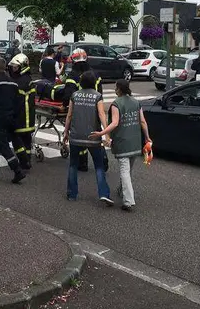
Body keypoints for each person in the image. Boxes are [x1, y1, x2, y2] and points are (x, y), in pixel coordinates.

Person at [90, 80, 151, 211]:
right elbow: (143, 121)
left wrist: (102, 132)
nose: (115, 89)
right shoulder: (136, 102)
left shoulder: (116, 104)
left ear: (118, 89)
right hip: (135, 142)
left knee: (124, 170)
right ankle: (122, 190)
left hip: (122, 142)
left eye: (115, 88)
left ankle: (128, 201)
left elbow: (115, 123)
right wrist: (147, 137)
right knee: (128, 170)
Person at [64, 71, 113, 205]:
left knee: (73, 165)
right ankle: (103, 193)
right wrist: (106, 134)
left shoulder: (74, 95)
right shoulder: (97, 96)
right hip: (93, 136)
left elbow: (69, 115)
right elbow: (102, 115)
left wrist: (65, 132)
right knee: (98, 166)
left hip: (76, 136)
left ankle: (72, 194)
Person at [63, 48, 103, 172]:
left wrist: (65, 105)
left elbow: (68, 94)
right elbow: (100, 92)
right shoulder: (95, 73)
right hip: (95, 107)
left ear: (73, 60)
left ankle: (82, 163)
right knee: (95, 134)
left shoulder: (73, 75)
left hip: (79, 110)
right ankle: (103, 160)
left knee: (81, 135)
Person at [8, 53, 36, 170]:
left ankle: (24, 160)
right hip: (28, 117)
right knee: (27, 140)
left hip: (20, 117)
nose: (13, 69)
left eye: (15, 67)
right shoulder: (27, 79)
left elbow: (13, 100)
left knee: (17, 140)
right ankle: (27, 159)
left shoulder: (19, 82)